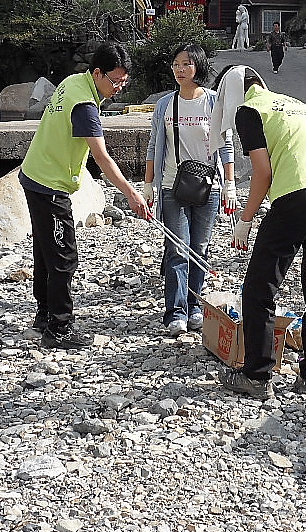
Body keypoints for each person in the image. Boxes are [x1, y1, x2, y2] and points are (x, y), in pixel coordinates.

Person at [209, 65, 306, 399]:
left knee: (259, 288)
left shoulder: (249, 111)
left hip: (296, 198)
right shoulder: (295, 104)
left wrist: (245, 219)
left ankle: (257, 375)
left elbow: (262, 171)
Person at [19, 45, 150, 350]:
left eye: (123, 83)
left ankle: (45, 315)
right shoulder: (85, 105)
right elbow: (102, 157)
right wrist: (131, 194)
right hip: (49, 185)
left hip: (35, 174)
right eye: (114, 82)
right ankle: (60, 328)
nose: (117, 88)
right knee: (63, 257)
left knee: (46, 252)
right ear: (97, 73)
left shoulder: (73, 81)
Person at [142, 44, 237, 336]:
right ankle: (175, 312)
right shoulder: (165, 105)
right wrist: (148, 184)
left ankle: (196, 306)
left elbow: (227, 146)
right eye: (176, 64)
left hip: (210, 187)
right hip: (172, 185)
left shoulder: (213, 103)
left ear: (198, 67)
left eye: (186, 64)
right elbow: (154, 145)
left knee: (200, 249)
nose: (180, 70)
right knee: (177, 250)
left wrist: (231, 184)